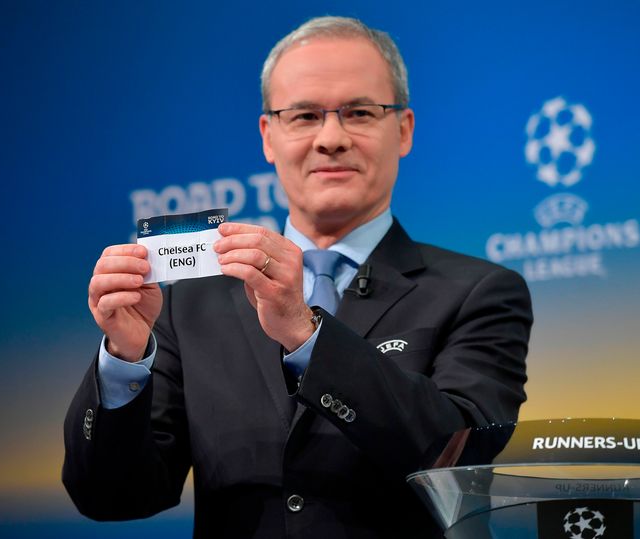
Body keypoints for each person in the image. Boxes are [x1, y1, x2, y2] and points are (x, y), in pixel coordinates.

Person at [63, 15, 532, 539]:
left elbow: (459, 456)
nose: (331, 138)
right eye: (305, 115)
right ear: (269, 137)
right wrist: (125, 361)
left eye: (359, 112)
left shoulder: (481, 292)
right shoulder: (187, 306)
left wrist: (305, 334)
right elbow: (113, 498)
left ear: (403, 130)